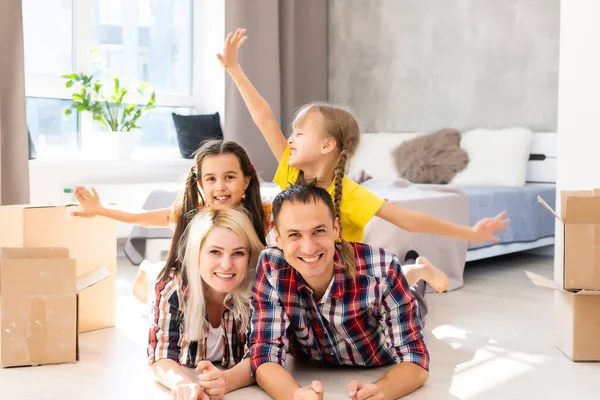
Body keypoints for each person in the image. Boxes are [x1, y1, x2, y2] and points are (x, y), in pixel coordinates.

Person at [218, 28, 511, 293]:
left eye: (300, 133)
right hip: (306, 270)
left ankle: (419, 270)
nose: (290, 139)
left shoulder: (350, 194)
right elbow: (264, 118)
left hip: (347, 274)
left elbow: (409, 220)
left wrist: (470, 232)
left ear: (327, 145)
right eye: (292, 133)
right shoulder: (291, 172)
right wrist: (234, 69)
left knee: (391, 287)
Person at [249, 184, 429, 400]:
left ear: (335, 228)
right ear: (277, 238)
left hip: (378, 353)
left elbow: (416, 358)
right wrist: (294, 395)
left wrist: (383, 390)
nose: (308, 248)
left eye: (318, 231)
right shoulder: (272, 267)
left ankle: (419, 268)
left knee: (416, 298)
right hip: (316, 355)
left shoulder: (383, 268)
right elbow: (263, 351)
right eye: (294, 235)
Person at [72, 139, 271, 301]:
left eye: (229, 177)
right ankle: (148, 270)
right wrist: (100, 209)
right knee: (165, 271)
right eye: (211, 179)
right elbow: (141, 218)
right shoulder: (192, 213)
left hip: (238, 278)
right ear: (200, 183)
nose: (220, 187)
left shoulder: (262, 211)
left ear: (246, 180)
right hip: (201, 276)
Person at [148, 207, 264, 399]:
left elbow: (263, 353)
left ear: (250, 256)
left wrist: (226, 380)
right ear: (197, 253)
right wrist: (184, 384)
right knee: (151, 283)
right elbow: (160, 353)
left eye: (238, 253)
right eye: (215, 252)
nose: (226, 264)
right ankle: (146, 273)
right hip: (176, 283)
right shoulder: (172, 288)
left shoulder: (260, 288)